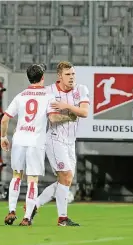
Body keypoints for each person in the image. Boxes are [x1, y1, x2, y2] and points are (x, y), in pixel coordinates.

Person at [1, 64, 72, 226]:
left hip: (19, 140)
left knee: (16, 175)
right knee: (32, 180)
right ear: (42, 78)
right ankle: (26, 218)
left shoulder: (20, 96)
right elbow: (53, 118)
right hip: (35, 142)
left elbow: (5, 118)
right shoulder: (48, 95)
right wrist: (70, 117)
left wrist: (3, 137)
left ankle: (11, 210)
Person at [29, 61, 90, 226]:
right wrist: (70, 114)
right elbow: (53, 118)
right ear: (59, 76)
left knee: (65, 180)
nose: (71, 78)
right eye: (68, 75)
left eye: (73, 74)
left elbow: (84, 112)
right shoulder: (49, 91)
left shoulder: (81, 89)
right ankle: (62, 218)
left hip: (70, 141)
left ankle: (34, 204)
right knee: (66, 176)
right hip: (54, 138)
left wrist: (66, 106)